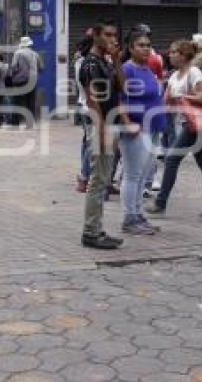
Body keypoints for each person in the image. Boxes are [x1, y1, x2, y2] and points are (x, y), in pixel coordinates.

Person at [147, 40, 202, 218]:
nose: (170, 55)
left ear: (184, 55)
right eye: (171, 52)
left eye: (175, 52)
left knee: (172, 158)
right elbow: (169, 103)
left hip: (195, 125)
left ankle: (160, 203)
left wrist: (181, 96)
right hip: (185, 123)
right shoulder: (174, 76)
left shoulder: (194, 73)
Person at [77, 20, 124, 250]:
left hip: (110, 123)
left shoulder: (105, 62)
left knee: (104, 179)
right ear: (95, 35)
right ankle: (91, 232)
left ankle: (96, 228)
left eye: (114, 35)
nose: (113, 39)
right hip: (101, 125)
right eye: (108, 34)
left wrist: (116, 61)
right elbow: (92, 99)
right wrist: (103, 129)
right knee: (98, 181)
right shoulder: (90, 64)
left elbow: (122, 88)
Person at [117, 30, 166, 235]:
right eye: (140, 45)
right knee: (132, 175)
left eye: (148, 44)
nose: (146, 48)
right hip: (137, 130)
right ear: (131, 48)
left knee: (144, 175)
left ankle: (139, 216)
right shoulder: (127, 70)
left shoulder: (147, 69)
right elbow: (117, 99)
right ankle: (130, 218)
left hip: (153, 128)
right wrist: (128, 123)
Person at [73, 33, 94, 193]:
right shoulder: (87, 64)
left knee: (87, 141)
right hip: (89, 107)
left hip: (83, 105)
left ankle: (83, 173)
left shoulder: (79, 61)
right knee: (91, 144)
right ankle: (84, 176)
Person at [10, 36, 42, 128]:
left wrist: (13, 75)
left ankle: (16, 122)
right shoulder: (35, 54)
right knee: (31, 101)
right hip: (33, 80)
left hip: (20, 80)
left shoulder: (18, 53)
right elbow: (40, 67)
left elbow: (14, 66)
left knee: (17, 101)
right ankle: (30, 123)